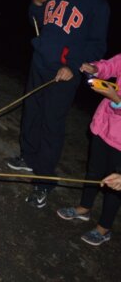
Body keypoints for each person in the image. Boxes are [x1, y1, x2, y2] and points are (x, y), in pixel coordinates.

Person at [5, 0, 110, 208]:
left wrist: (73, 65)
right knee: (32, 111)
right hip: (40, 62)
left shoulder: (97, 4)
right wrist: (37, 3)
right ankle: (28, 158)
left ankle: (44, 181)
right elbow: (36, 22)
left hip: (64, 72)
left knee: (52, 124)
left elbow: (97, 45)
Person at [56, 54, 121, 245]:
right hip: (105, 125)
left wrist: (116, 100)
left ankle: (104, 228)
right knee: (93, 171)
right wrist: (95, 69)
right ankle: (84, 208)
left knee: (114, 186)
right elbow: (111, 65)